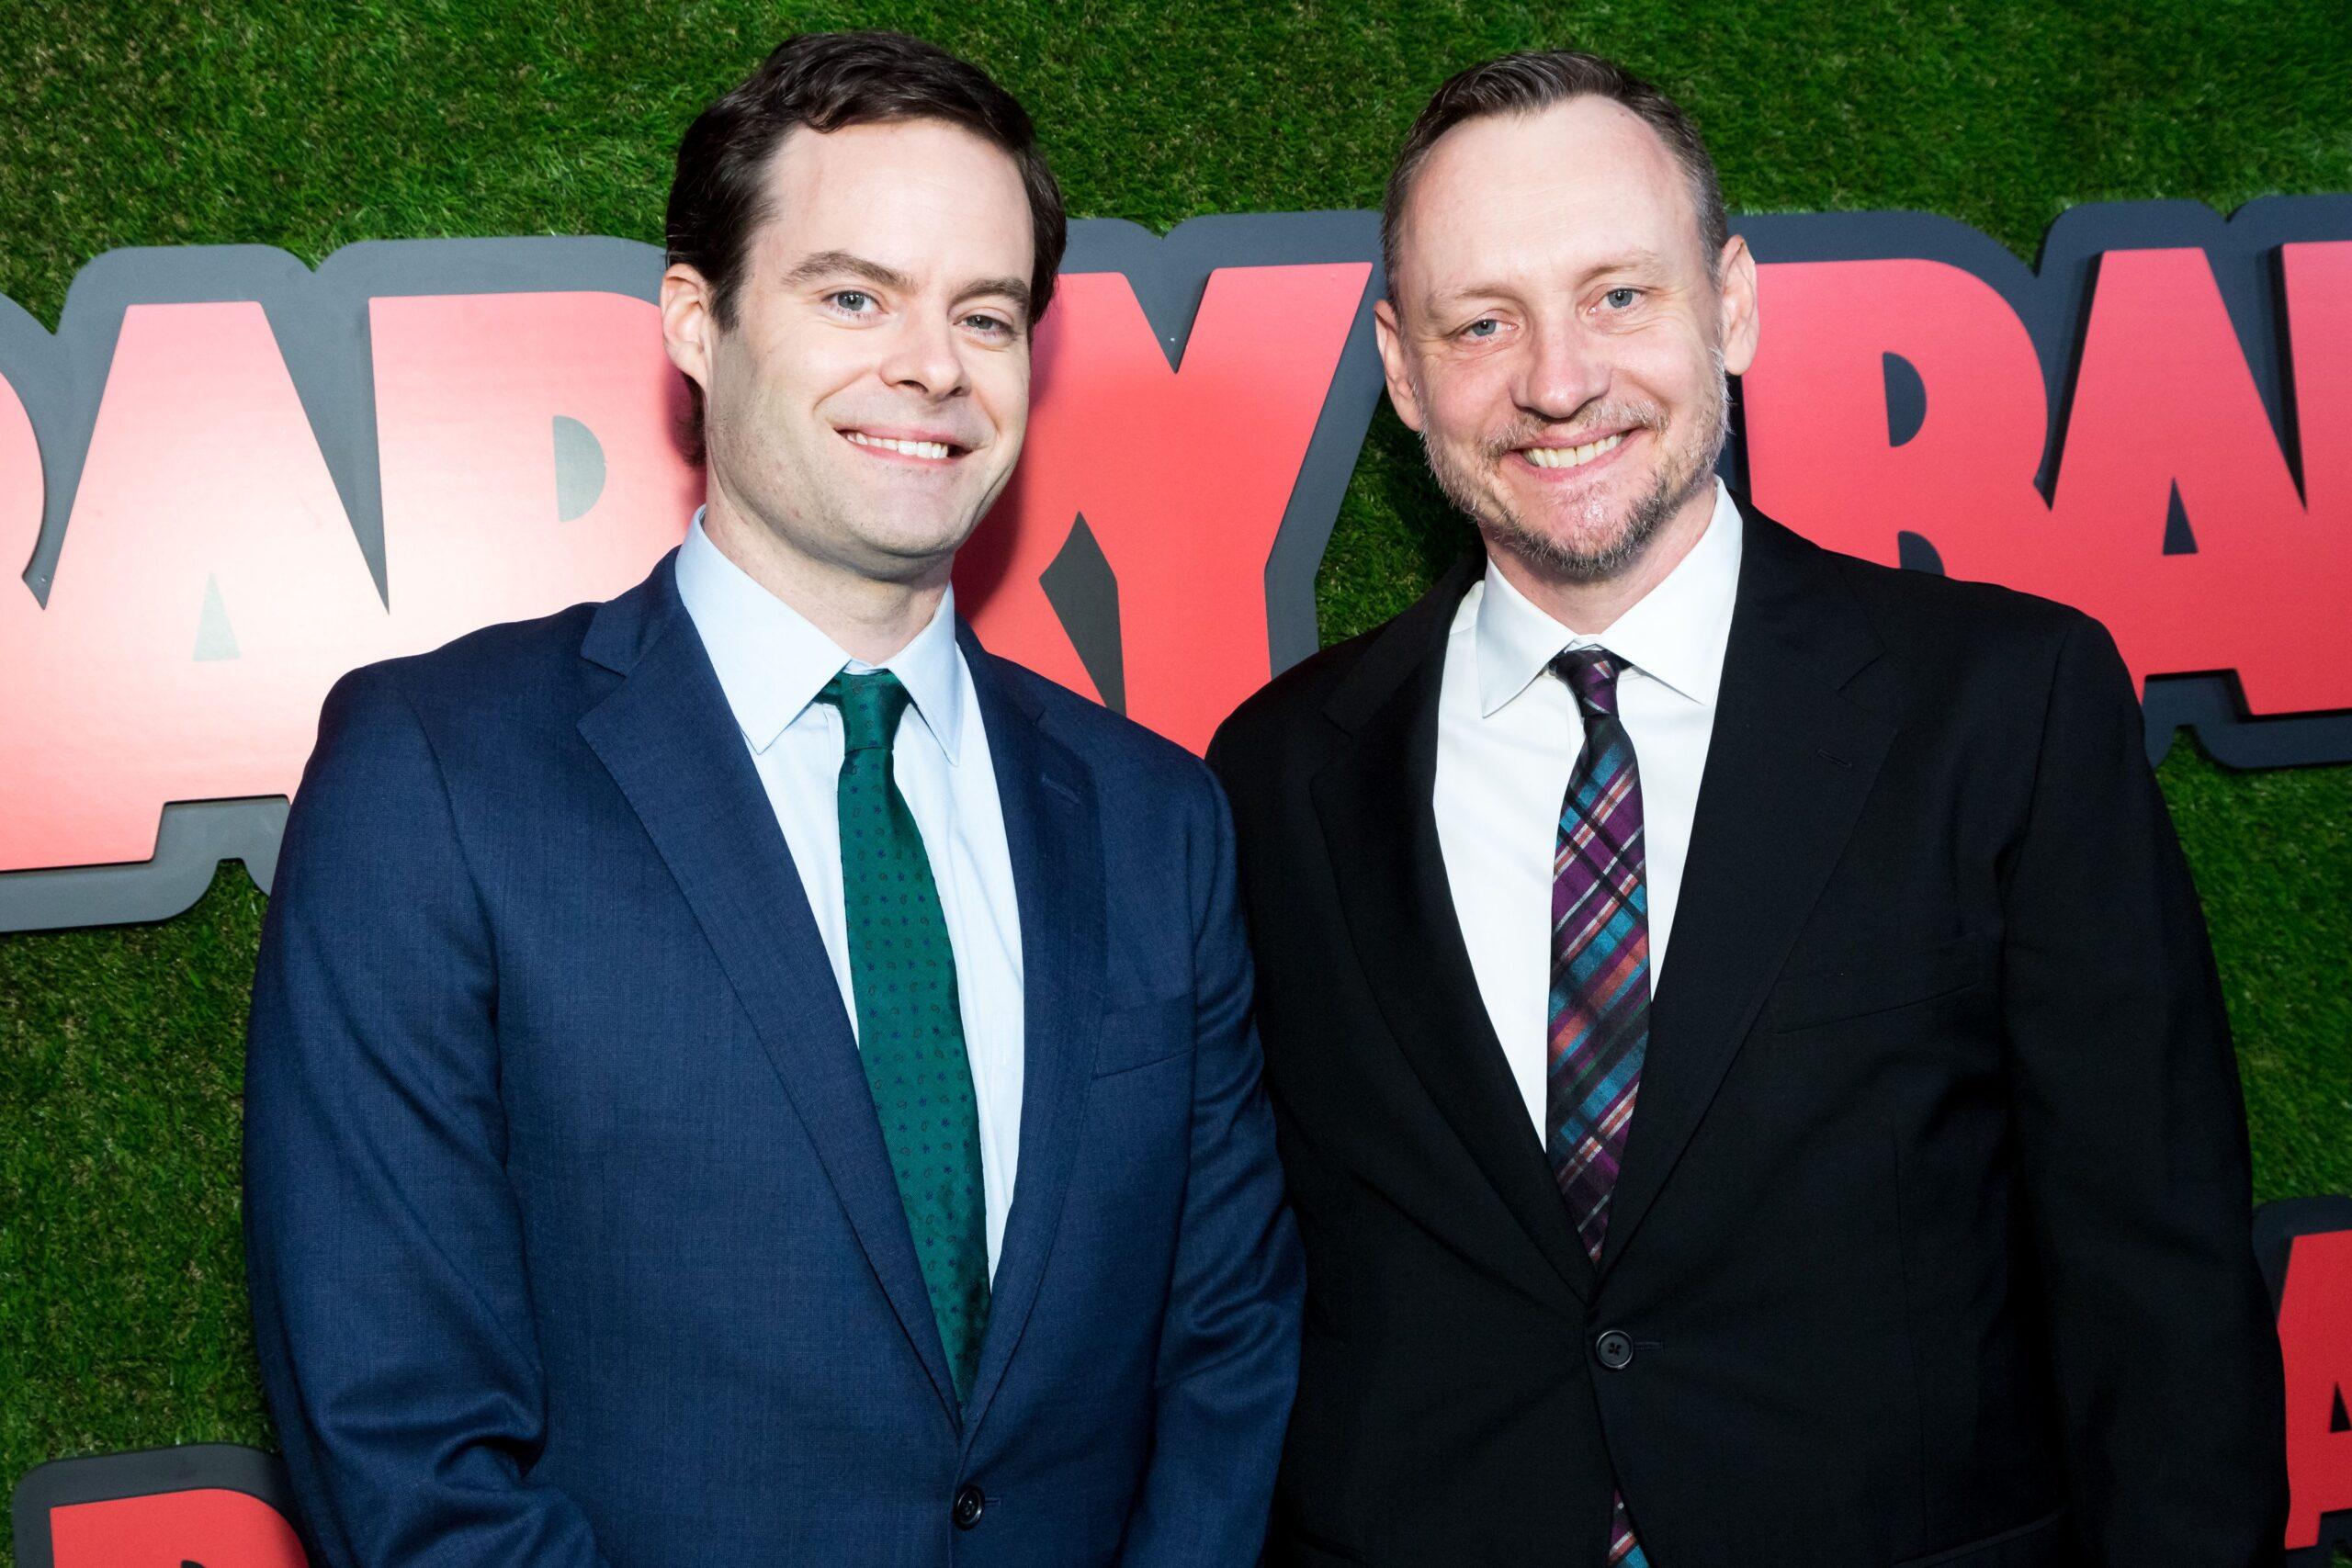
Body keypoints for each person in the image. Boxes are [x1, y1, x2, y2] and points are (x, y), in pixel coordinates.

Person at [1209, 48, 2285, 1568]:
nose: (1558, 380)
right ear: (1400, 365)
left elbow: (2161, 1292)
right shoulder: (1277, 774)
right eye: (1483, 321)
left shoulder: (2002, 706)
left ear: (1733, 303)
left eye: (1618, 295)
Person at [243, 31, 1300, 1567]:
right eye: (854, 296)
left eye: (985, 314)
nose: (931, 366)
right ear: (699, 319)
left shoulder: (1154, 819)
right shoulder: (440, 776)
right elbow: (398, 1441)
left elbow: (1228, 1343)